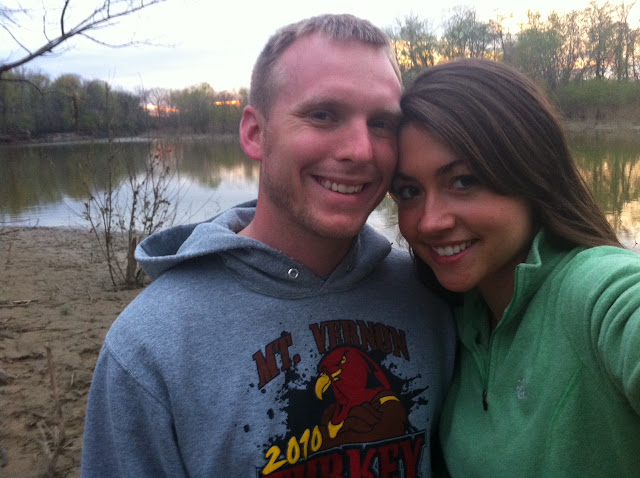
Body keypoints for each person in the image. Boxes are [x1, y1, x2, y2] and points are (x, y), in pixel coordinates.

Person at [81, 14, 456, 477]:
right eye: (323, 115)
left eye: (381, 123)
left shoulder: (430, 296)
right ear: (255, 133)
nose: (361, 150)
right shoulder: (150, 346)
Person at [390, 58, 640, 477]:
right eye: (409, 191)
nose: (430, 222)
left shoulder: (593, 291)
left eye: (463, 181)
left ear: (532, 174)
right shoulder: (456, 316)